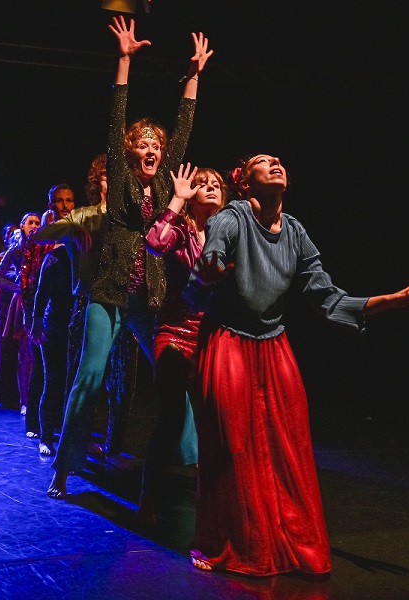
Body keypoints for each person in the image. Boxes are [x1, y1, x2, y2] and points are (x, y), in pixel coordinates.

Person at [183, 153, 409, 576]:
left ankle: (291, 544)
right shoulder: (231, 217)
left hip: (273, 344)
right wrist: (209, 270)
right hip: (229, 339)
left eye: (279, 160)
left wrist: (394, 301)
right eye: (263, 162)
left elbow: (328, 299)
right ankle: (227, 543)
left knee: (290, 442)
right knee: (234, 446)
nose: (276, 162)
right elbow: (206, 268)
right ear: (245, 183)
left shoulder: (296, 232)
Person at [46, 14, 213, 500]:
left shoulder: (165, 184)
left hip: (151, 296)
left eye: (156, 146)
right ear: (129, 151)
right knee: (91, 375)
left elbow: (183, 130)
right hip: (111, 293)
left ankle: (189, 460)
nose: (152, 149)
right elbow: (116, 119)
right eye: (143, 144)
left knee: (173, 374)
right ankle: (64, 466)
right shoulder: (119, 181)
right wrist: (123, 63)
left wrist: (194, 77)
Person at [138, 163, 227, 526]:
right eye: (201, 183)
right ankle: (148, 497)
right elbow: (153, 243)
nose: (208, 187)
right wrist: (176, 199)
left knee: (214, 424)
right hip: (175, 333)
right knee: (172, 420)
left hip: (215, 338)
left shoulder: (231, 234)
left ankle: (212, 503)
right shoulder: (180, 231)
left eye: (215, 184)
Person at [23, 184, 75, 437]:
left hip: (66, 309)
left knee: (62, 376)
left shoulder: (77, 230)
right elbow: (30, 277)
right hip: (42, 308)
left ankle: (58, 426)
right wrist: (32, 315)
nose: (64, 205)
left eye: (69, 200)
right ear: (51, 204)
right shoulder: (40, 236)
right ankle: (35, 424)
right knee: (44, 373)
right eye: (59, 200)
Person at [0, 212, 42, 416]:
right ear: (22, 226)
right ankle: (25, 401)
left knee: (42, 355)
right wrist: (19, 289)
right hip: (24, 303)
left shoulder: (44, 245)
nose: (34, 226)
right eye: (30, 222)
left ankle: (41, 401)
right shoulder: (16, 249)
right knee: (25, 355)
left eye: (38, 223)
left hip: (44, 301)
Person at [0, 221, 21, 410]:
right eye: (11, 234)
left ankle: (22, 397)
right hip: (5, 310)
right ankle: (2, 396)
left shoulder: (27, 256)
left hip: (21, 309)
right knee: (4, 356)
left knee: (24, 356)